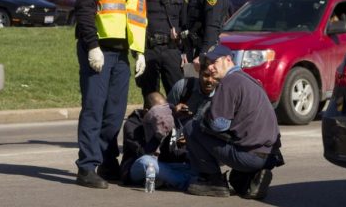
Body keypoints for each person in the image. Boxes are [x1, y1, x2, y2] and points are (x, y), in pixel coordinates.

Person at [74, 0, 148, 188]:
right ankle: (86, 166)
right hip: (98, 50)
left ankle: (106, 160)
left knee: (115, 113)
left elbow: (138, 14)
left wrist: (139, 51)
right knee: (94, 108)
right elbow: (84, 11)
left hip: (122, 53)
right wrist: (92, 46)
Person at [185, 45, 281, 199]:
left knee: (191, 127)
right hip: (269, 154)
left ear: (228, 59)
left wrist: (205, 114)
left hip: (249, 155)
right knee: (236, 181)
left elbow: (219, 125)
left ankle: (213, 181)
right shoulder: (247, 79)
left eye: (214, 62)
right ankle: (252, 179)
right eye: (208, 63)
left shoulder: (228, 83)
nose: (210, 67)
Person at [118, 92, 193, 190]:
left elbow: (168, 154)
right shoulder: (133, 124)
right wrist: (158, 136)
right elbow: (141, 153)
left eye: (165, 110)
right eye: (159, 112)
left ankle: (167, 180)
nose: (163, 116)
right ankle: (185, 182)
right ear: (146, 112)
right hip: (136, 166)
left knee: (192, 166)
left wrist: (188, 155)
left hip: (162, 164)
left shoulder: (167, 120)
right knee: (148, 163)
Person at [138, 0, 186, 95]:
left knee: (177, 93)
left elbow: (185, 22)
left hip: (171, 49)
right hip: (150, 49)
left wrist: (183, 48)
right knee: (150, 95)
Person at [167, 64, 218, 130]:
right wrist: (174, 112)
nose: (210, 80)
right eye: (206, 75)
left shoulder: (222, 96)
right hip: (177, 131)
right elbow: (165, 113)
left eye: (214, 76)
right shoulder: (184, 86)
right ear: (199, 74)